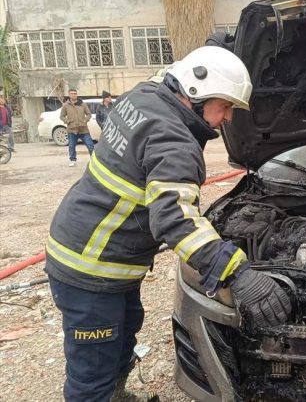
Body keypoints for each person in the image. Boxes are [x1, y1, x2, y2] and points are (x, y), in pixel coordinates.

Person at [45, 45, 292, 401]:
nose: (227, 119)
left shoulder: (144, 97)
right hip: (91, 268)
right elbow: (175, 220)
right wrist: (238, 273)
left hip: (95, 251)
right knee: (92, 373)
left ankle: (115, 394)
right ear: (195, 93)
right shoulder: (175, 142)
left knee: (122, 338)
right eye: (224, 106)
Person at [60, 88, 94, 167]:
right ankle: (73, 160)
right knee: (72, 146)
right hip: (72, 129)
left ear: (77, 94)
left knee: (90, 145)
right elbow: (62, 116)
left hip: (83, 129)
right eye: (72, 93)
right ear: (69, 95)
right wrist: (67, 121)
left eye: (75, 93)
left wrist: (85, 120)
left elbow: (89, 114)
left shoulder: (82, 104)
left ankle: (93, 159)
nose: (74, 95)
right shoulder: (66, 105)